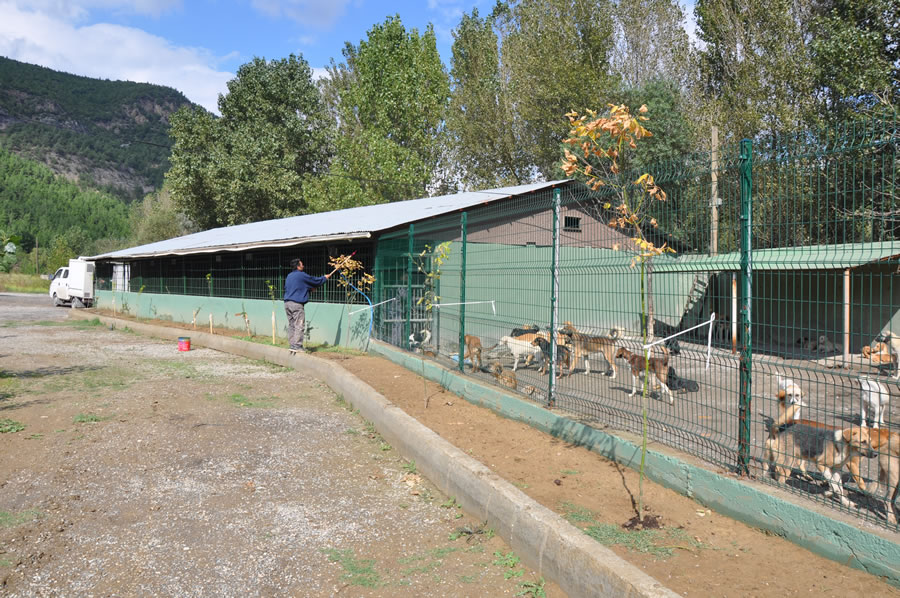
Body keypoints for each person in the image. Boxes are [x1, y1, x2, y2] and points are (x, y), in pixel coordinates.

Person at [283, 258, 338, 354]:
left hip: (287, 303)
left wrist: (308, 289)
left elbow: (296, 287)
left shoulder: (289, 276)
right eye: (302, 264)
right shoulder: (301, 275)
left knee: (292, 325)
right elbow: (315, 281)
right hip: (296, 304)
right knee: (299, 324)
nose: (303, 266)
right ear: (298, 266)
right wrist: (325, 278)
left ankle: (292, 345)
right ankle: (297, 346)